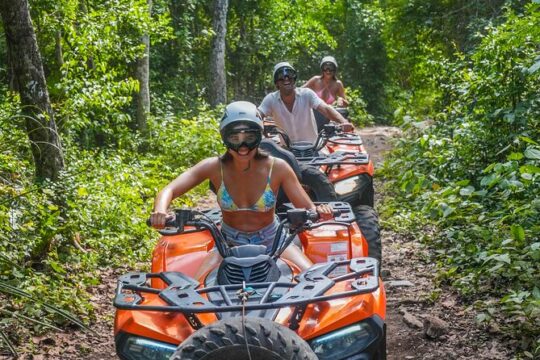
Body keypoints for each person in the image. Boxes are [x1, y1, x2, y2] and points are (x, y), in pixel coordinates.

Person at [150, 101, 333, 279]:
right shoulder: (214, 167)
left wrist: (319, 212)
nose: (242, 146)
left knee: (314, 280)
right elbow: (170, 189)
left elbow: (307, 207)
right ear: (224, 138)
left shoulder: (278, 168)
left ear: (259, 136)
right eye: (234, 138)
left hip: (273, 241)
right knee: (195, 292)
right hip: (227, 244)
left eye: (249, 138)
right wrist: (160, 210)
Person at [258, 62, 353, 145]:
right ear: (276, 83)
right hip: (287, 152)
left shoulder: (307, 94)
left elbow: (326, 109)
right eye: (281, 77)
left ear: (294, 79)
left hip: (313, 147)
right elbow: (257, 115)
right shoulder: (271, 99)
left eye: (289, 75)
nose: (286, 78)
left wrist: (343, 122)